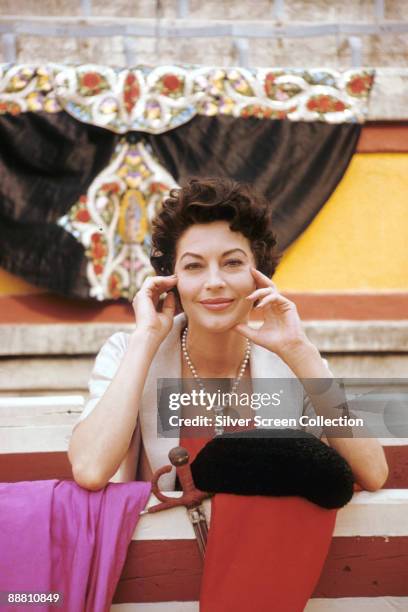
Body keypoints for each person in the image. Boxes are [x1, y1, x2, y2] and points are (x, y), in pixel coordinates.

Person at [68, 177, 389, 610]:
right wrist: (146, 337)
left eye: (232, 263)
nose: (214, 282)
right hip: (158, 589)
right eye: (194, 266)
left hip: (273, 585)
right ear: (171, 279)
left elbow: (373, 472)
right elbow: (90, 470)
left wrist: (301, 353)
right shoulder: (129, 351)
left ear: (259, 272)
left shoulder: (289, 357)